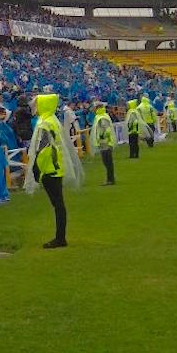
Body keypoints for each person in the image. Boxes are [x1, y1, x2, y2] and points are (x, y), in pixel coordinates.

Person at [24, 94, 83, 249]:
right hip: (56, 166)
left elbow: (42, 147)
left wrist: (36, 168)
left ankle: (60, 238)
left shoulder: (44, 123)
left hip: (49, 168)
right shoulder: (52, 120)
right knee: (59, 204)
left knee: (58, 204)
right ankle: (60, 237)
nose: (34, 106)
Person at [90, 103, 116, 185]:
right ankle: (110, 179)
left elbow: (106, 130)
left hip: (105, 143)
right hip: (105, 142)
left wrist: (101, 138)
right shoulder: (102, 116)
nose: (93, 109)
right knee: (107, 162)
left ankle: (110, 180)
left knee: (107, 162)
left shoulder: (101, 118)